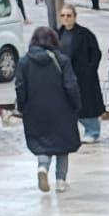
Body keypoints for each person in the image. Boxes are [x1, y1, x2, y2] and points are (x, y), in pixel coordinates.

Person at [14, 25, 82, 193]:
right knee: (63, 144)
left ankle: (42, 168)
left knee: (43, 142)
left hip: (35, 109)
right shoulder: (61, 60)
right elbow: (71, 85)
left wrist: (22, 107)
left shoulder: (24, 61)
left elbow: (20, 87)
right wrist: (76, 105)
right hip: (62, 108)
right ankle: (60, 181)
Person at [56, 2, 105, 144]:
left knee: (87, 104)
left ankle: (93, 131)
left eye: (69, 15)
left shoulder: (85, 34)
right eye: (63, 15)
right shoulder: (57, 34)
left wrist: (90, 69)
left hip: (83, 76)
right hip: (64, 75)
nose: (66, 18)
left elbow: (96, 53)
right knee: (67, 105)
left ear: (74, 17)